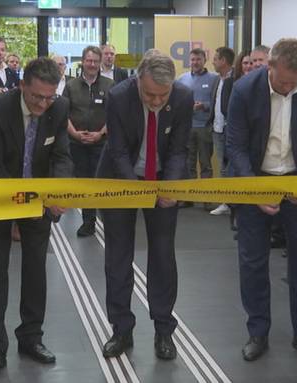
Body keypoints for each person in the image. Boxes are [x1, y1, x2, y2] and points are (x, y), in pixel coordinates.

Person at [226, 38, 297, 362]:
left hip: (296, 181)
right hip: (256, 177)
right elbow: (236, 146)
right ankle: (258, 332)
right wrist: (255, 190)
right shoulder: (244, 90)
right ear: (269, 66)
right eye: (283, 80)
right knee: (253, 261)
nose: (288, 87)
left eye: (294, 81)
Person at [95, 49, 192, 361]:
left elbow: (179, 149)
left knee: (163, 255)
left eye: (162, 95)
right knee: (117, 256)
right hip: (121, 179)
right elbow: (118, 150)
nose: (156, 101)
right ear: (138, 80)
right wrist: (135, 190)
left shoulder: (183, 98)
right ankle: (121, 328)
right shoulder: (119, 97)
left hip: (163, 178)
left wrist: (171, 185)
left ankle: (164, 329)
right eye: (149, 94)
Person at [0, 57, 72, 369]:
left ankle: (31, 337)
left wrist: (58, 191)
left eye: (49, 97)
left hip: (39, 201)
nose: (43, 104)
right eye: (36, 97)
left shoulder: (58, 108)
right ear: (22, 86)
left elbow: (60, 155)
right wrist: (29, 200)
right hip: (0, 195)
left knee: (35, 270)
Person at [63, 46, 114, 237]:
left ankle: (108, 222)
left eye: (95, 61)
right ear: (82, 62)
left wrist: (100, 133)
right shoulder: (71, 86)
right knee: (84, 184)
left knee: (101, 183)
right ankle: (88, 222)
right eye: (88, 60)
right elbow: (64, 115)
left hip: (102, 143)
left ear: (100, 62)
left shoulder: (110, 85)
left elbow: (115, 115)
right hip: (77, 143)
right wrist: (75, 134)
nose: (92, 64)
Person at [177, 48, 218, 208]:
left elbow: (216, 102)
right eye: (192, 59)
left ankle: (207, 200)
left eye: (198, 59)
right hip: (187, 127)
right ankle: (188, 198)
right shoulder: (182, 79)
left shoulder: (214, 79)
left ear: (204, 60)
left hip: (205, 127)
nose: (195, 62)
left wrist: (204, 106)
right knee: (188, 164)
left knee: (206, 165)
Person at [207, 46, 235, 216]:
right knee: (223, 167)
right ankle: (226, 202)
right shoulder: (218, 79)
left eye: (216, 58)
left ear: (224, 61)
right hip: (216, 128)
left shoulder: (235, 80)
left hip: (229, 129)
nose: (213, 62)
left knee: (230, 167)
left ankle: (231, 202)